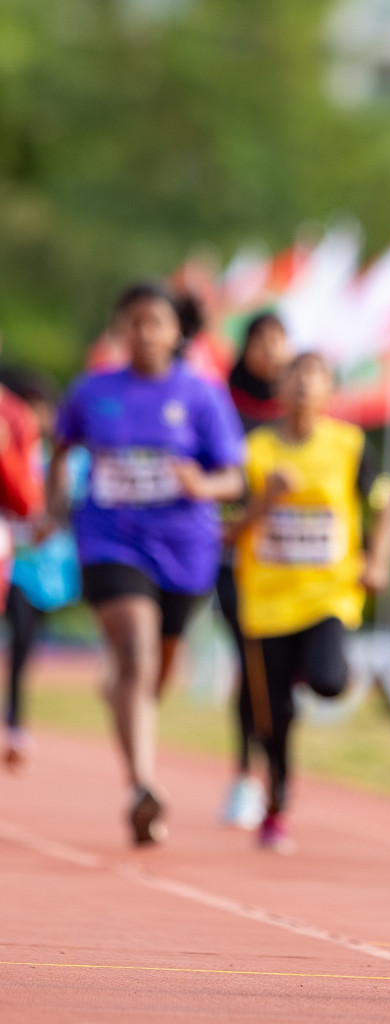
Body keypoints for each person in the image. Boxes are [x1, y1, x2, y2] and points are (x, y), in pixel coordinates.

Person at [48, 282, 246, 846]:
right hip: (110, 537)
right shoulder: (92, 392)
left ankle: (124, 700)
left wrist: (203, 482)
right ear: (119, 330)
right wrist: (51, 508)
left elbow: (235, 476)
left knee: (155, 671)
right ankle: (143, 785)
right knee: (135, 647)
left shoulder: (203, 395)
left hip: (185, 545)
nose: (143, 332)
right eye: (132, 322)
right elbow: (61, 452)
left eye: (155, 322)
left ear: (176, 332)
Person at [231, 351, 390, 853]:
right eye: (295, 378)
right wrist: (266, 499)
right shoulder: (253, 449)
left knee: (328, 682)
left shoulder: (348, 445)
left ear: (330, 391)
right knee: (274, 717)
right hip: (267, 603)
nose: (304, 388)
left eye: (315, 379)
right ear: (278, 389)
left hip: (329, 593)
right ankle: (276, 804)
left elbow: (388, 502)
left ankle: (316, 664)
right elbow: (226, 529)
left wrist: (379, 559)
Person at [216, 312, 290, 829]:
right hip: (236, 555)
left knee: (282, 671)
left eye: (279, 340)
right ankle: (246, 773)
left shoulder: (303, 409)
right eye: (261, 339)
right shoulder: (223, 405)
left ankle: (273, 770)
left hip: (298, 567)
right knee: (252, 660)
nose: (270, 349)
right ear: (246, 347)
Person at [0, 367, 85, 772]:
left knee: (24, 645)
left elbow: (46, 506)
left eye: (42, 409)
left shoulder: (59, 459)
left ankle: (15, 721)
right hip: (13, 565)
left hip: (37, 568)